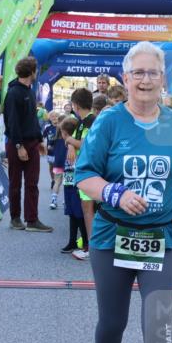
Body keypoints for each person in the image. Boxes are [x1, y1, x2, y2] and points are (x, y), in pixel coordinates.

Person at [74, 42, 172, 343]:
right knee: (114, 320)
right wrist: (115, 194)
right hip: (113, 237)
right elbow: (84, 175)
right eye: (138, 73)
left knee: (157, 323)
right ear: (125, 79)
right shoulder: (108, 122)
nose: (145, 80)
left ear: (163, 79)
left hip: (162, 237)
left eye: (153, 73)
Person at [4, 56, 52, 232]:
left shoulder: (30, 91)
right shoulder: (13, 93)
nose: (37, 72)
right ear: (32, 71)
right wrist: (18, 146)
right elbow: (12, 123)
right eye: (36, 69)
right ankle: (15, 218)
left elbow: (32, 120)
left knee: (32, 183)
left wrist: (39, 140)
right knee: (15, 183)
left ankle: (32, 220)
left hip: (32, 143)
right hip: (18, 144)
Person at [58, 116, 89, 256]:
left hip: (77, 184)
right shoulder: (69, 144)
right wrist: (70, 143)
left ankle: (86, 243)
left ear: (66, 134)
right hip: (68, 183)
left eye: (63, 134)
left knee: (80, 214)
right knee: (71, 213)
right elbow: (68, 143)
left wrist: (71, 143)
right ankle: (72, 241)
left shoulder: (76, 146)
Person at [69, 89, 97, 242]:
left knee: (88, 210)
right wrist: (71, 145)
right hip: (85, 170)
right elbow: (74, 140)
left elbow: (85, 144)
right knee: (87, 209)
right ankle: (89, 243)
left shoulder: (91, 121)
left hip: (90, 171)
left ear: (76, 105)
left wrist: (69, 141)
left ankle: (92, 246)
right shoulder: (82, 121)